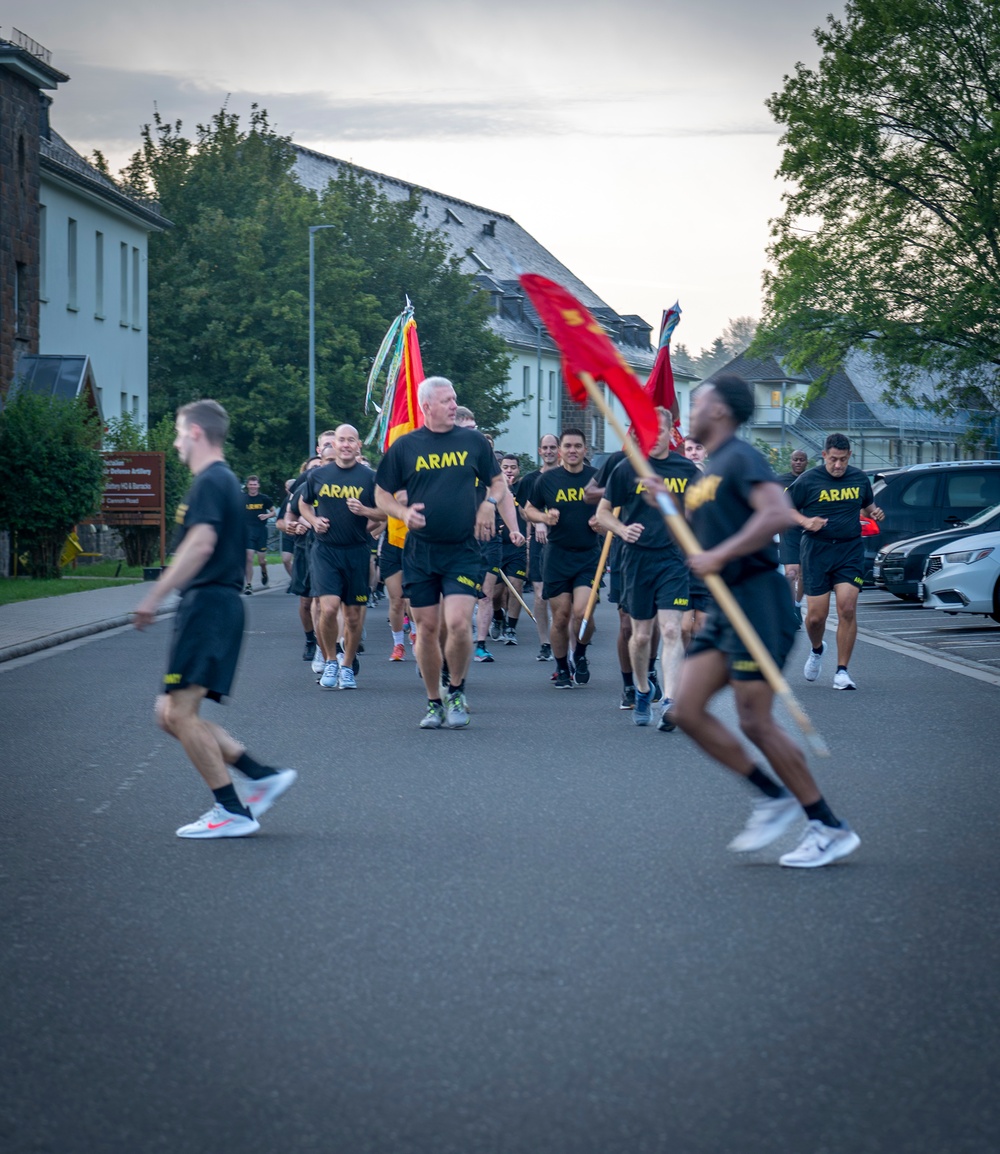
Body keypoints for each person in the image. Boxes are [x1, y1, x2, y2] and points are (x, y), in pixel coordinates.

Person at [652, 375, 859, 868]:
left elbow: (775, 513)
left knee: (755, 720)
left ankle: (828, 826)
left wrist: (718, 552)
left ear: (720, 411)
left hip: (759, 603)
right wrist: (668, 504)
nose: (691, 410)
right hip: (726, 609)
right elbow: (700, 543)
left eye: (698, 402)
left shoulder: (740, 458)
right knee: (684, 708)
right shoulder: (706, 475)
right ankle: (771, 794)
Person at [134, 400, 296, 838]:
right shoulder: (222, 482)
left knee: (180, 713)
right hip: (211, 605)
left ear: (197, 434)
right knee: (168, 713)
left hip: (208, 605)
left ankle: (232, 809)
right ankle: (258, 774)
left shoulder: (212, 480)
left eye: (178, 433)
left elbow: (201, 545)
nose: (175, 442)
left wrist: (154, 594)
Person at [374, 376, 523, 728]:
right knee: (427, 629)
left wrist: (488, 504)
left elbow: (498, 482)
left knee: (458, 623)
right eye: (447, 400)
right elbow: (381, 494)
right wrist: (402, 513)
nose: (454, 405)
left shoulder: (472, 441)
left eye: (455, 399)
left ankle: (456, 690)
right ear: (427, 406)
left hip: (462, 550)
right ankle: (433, 701)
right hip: (420, 553)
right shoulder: (405, 446)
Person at [597, 411, 700, 729]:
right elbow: (602, 514)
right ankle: (643, 690)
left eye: (662, 430)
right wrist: (621, 529)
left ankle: (670, 701)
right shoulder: (627, 469)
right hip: (636, 559)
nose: (655, 435)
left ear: (672, 433)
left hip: (672, 559)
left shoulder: (686, 470)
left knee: (671, 630)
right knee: (640, 636)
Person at [788, 434, 884, 690]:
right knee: (816, 618)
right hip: (817, 552)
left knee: (847, 608)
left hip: (849, 550)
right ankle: (818, 649)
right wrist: (806, 522)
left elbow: (865, 505)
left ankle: (842, 671)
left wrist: (873, 511)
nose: (838, 465)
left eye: (843, 459)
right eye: (833, 459)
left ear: (849, 456)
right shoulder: (808, 480)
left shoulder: (859, 478)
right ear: (824, 456)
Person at [298, 425, 384, 690]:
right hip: (326, 551)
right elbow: (303, 503)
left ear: (359, 446)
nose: (345, 445)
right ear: (333, 445)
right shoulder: (319, 475)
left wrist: (365, 511)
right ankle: (330, 659)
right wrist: (313, 520)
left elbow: (386, 513)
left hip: (357, 552)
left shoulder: (370, 477)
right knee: (329, 607)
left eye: (351, 440)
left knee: (354, 616)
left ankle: (347, 666)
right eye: (341, 440)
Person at [524, 427, 600, 688]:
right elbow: (528, 509)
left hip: (588, 556)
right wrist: (544, 518)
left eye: (577, 446)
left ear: (584, 449)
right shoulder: (547, 480)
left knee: (583, 614)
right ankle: (561, 667)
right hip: (557, 555)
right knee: (562, 616)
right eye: (567, 446)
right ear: (560, 451)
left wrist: (601, 522)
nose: (572, 451)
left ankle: (579, 654)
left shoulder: (596, 479)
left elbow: (612, 509)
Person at [519, 433, 560, 661]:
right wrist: (539, 522)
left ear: (559, 450)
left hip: (563, 541)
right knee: (539, 594)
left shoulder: (566, 477)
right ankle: (545, 642)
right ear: (539, 451)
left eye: (553, 447)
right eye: (545, 447)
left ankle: (560, 635)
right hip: (539, 541)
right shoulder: (530, 480)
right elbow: (525, 510)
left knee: (561, 596)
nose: (549, 451)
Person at [495, 453, 529, 644]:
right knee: (495, 594)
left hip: (517, 546)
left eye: (513, 467)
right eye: (505, 467)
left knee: (516, 586)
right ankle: (498, 617)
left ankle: (511, 628)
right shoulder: (492, 490)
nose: (509, 471)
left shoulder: (522, 489)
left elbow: (529, 512)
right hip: (497, 547)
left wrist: (530, 537)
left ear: (518, 470)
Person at [775, 448, 809, 614]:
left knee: (802, 574)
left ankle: (796, 604)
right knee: (790, 573)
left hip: (807, 531)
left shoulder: (811, 479)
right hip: (788, 531)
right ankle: (789, 610)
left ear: (806, 462)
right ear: (791, 461)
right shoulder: (781, 481)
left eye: (801, 459)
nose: (798, 462)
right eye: (795, 459)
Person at [242, 476, 276, 594]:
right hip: (247, 532)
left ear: (258, 486)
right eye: (251, 484)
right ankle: (248, 585)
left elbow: (274, 512)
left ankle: (264, 570)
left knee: (261, 560)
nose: (253, 487)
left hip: (261, 531)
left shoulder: (264, 499)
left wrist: (266, 516)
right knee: (249, 557)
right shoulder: (242, 499)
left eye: (255, 484)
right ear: (247, 485)